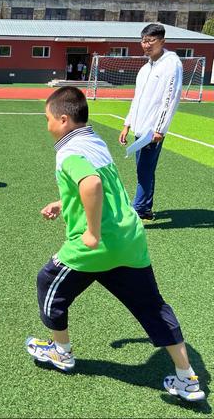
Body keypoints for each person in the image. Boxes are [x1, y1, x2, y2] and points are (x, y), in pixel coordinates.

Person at [26, 86, 205, 402]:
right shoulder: (93, 140)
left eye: (48, 119)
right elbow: (102, 184)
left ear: (64, 120)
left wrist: (92, 232)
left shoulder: (68, 151)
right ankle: (187, 379)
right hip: (129, 240)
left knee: (48, 283)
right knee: (152, 307)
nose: (47, 125)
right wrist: (62, 201)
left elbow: (91, 183)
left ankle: (61, 352)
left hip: (96, 246)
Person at [119, 24, 182, 221]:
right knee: (143, 169)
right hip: (139, 128)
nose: (146, 45)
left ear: (162, 41)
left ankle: (139, 209)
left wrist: (159, 129)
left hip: (151, 131)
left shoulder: (171, 64)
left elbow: (170, 98)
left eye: (150, 41)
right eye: (143, 41)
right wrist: (127, 123)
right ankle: (144, 208)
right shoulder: (146, 68)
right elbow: (137, 98)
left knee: (145, 169)